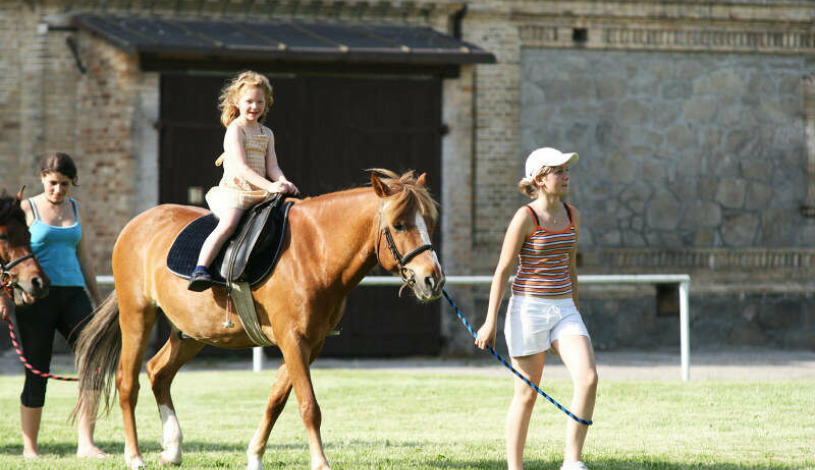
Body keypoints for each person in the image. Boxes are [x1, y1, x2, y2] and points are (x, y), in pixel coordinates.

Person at [475, 147, 598, 470]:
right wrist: (489, 323)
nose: (566, 175)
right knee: (527, 395)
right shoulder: (525, 218)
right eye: (558, 170)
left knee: (587, 378)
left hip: (564, 309)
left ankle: (572, 461)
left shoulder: (573, 215)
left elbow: (570, 265)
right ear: (540, 179)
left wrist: (575, 309)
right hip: (527, 311)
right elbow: (502, 271)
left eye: (566, 169)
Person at [16, 152, 106, 458]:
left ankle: (87, 444)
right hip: (37, 299)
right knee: (37, 371)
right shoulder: (26, 208)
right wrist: (10, 291)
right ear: (43, 178)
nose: (58, 190)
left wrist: (97, 299)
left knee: (93, 362)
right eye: (53, 183)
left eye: (65, 184)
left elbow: (84, 259)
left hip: (74, 295)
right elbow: (10, 254)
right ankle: (30, 448)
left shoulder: (76, 208)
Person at [188, 70, 299, 291]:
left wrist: (284, 182)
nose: (254, 107)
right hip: (235, 191)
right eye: (249, 101)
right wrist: (271, 186)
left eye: (260, 102)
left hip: (259, 191)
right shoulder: (235, 130)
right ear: (237, 102)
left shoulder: (267, 133)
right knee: (229, 223)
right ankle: (201, 268)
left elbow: (273, 167)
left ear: (266, 103)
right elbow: (241, 167)